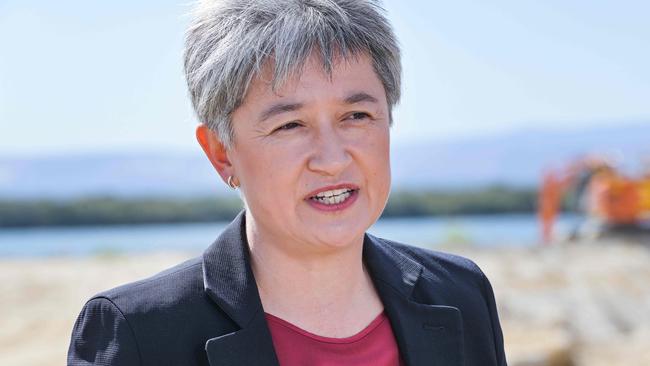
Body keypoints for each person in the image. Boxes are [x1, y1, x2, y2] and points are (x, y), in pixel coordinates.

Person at [67, 1, 507, 365]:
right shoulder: (139, 334)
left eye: (356, 116)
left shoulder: (461, 293)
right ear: (221, 153)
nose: (333, 160)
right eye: (290, 125)